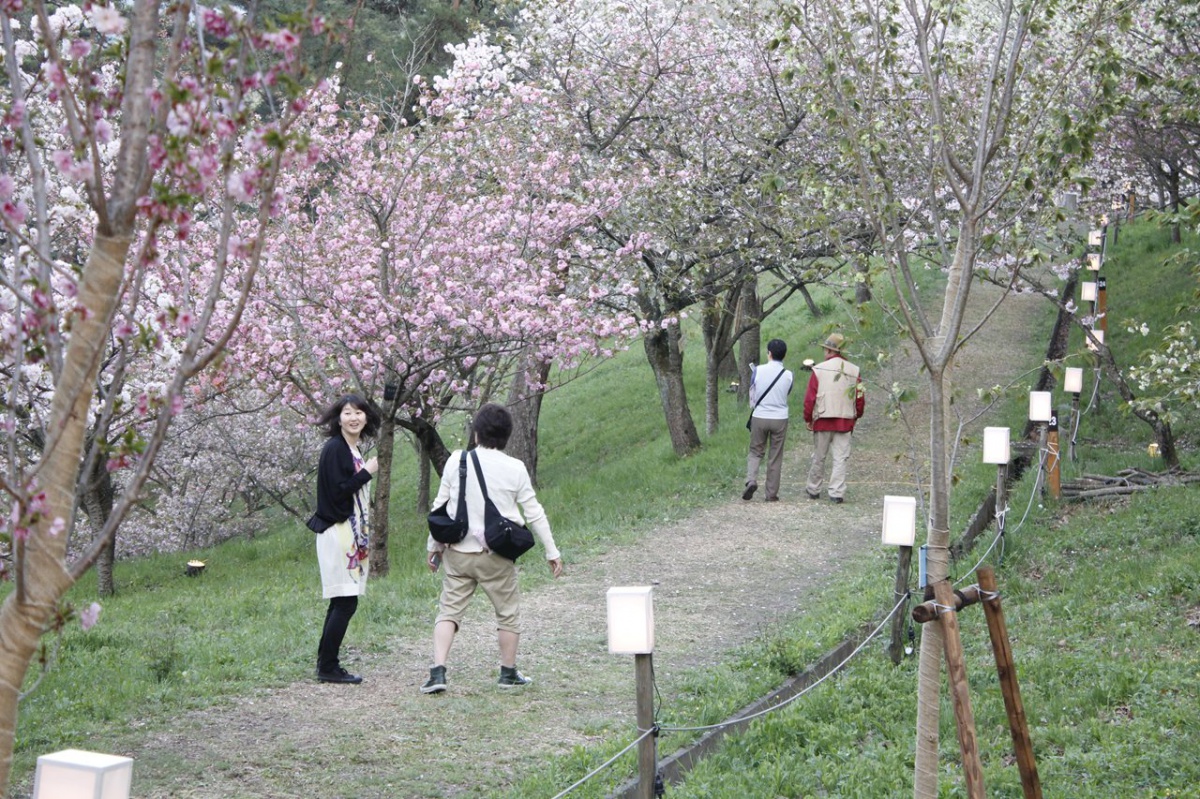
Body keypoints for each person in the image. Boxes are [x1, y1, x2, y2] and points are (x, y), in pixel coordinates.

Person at [421, 403, 564, 694]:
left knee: (449, 612)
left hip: (458, 553)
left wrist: (434, 547)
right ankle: (508, 674)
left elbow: (440, 507)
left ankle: (438, 672)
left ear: (476, 434)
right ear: (507, 436)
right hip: (496, 555)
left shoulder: (457, 460)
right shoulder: (515, 468)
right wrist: (552, 551)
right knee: (507, 613)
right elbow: (534, 512)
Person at [312, 394, 380, 684]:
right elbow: (337, 492)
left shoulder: (352, 448)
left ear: (367, 417)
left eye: (359, 412)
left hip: (350, 534)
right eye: (348, 413)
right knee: (345, 602)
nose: (354, 418)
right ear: (338, 418)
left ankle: (326, 663)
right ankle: (328, 666)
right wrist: (366, 473)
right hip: (338, 532)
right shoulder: (335, 448)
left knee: (342, 601)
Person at [804, 333, 864, 504]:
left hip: (823, 418)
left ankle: (814, 488)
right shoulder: (854, 370)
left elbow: (810, 398)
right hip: (845, 419)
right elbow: (860, 396)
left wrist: (808, 417)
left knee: (819, 456)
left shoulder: (819, 369)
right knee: (840, 458)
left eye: (825, 349)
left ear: (829, 350)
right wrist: (857, 414)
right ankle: (836, 492)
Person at [743, 339, 794, 502]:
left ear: (769, 353)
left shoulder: (758, 371)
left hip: (760, 416)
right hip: (780, 417)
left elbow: (752, 391)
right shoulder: (788, 375)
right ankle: (771, 493)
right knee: (775, 455)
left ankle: (751, 479)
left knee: (755, 451)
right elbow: (787, 392)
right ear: (784, 355)